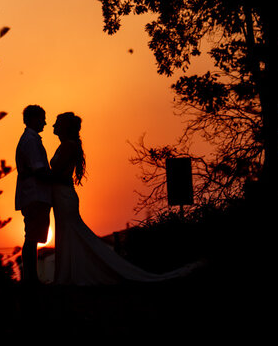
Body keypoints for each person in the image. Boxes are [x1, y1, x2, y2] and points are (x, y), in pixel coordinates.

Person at [50, 111, 200, 285]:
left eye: (57, 123)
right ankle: (68, 273)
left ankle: (78, 273)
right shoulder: (64, 146)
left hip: (64, 196)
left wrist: (36, 174)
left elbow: (58, 174)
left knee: (73, 232)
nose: (53, 126)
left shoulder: (69, 146)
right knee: (67, 233)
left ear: (65, 126)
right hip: (60, 196)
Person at [15, 104, 54, 284]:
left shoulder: (31, 139)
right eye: (42, 118)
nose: (45, 123)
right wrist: (57, 179)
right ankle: (30, 278)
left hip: (34, 194)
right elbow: (38, 168)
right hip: (35, 194)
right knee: (31, 236)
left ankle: (31, 277)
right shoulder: (30, 141)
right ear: (32, 119)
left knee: (33, 236)